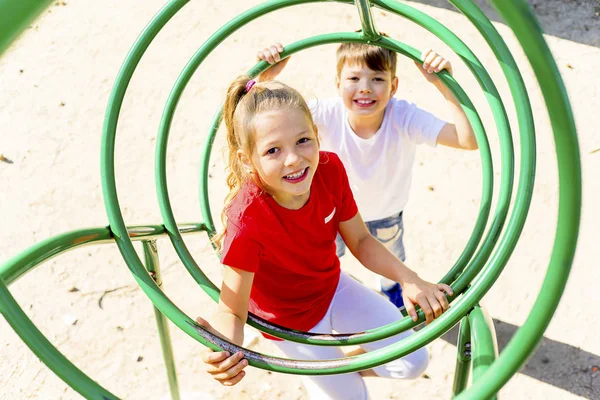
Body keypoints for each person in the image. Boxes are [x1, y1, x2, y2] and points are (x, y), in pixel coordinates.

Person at [196, 75, 453, 400]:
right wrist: (223, 350)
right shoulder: (247, 218)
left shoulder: (329, 171)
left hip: (332, 288)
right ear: (249, 160)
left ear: (317, 134)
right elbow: (232, 310)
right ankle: (335, 378)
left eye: (303, 140)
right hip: (287, 325)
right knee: (352, 398)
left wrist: (409, 278)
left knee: (413, 361)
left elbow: (359, 240)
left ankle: (343, 367)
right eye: (273, 150)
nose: (293, 159)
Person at [256, 37, 477, 308]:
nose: (365, 89)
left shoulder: (404, 117)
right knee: (324, 261)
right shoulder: (324, 114)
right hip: (330, 212)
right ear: (337, 84)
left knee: (390, 265)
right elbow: (263, 125)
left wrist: (445, 86)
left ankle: (392, 289)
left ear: (394, 86)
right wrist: (262, 81)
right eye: (354, 78)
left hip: (385, 213)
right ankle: (333, 293)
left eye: (377, 79)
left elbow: (468, 140)